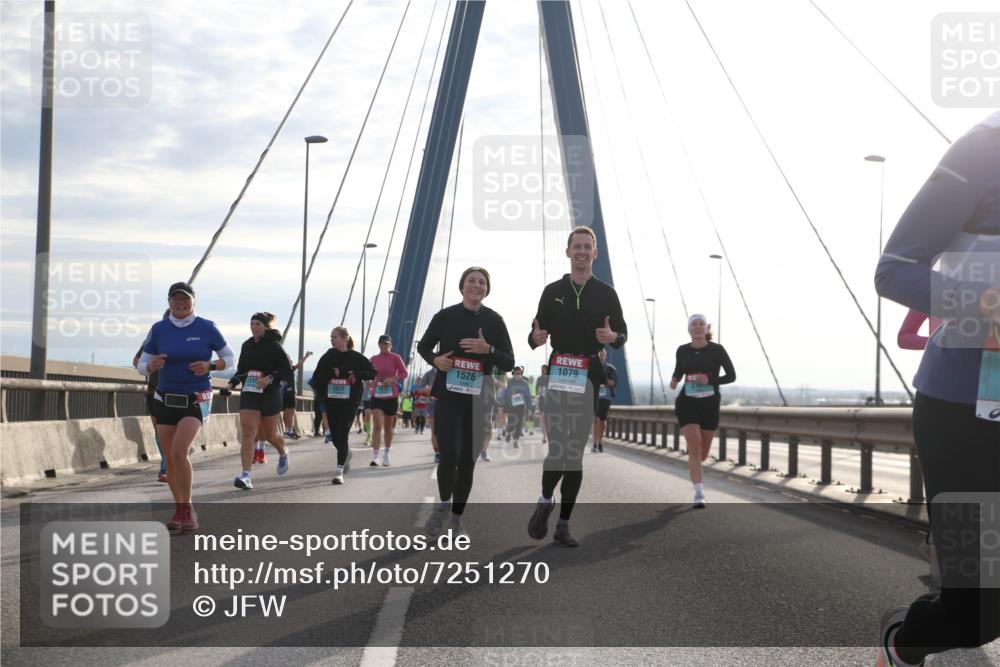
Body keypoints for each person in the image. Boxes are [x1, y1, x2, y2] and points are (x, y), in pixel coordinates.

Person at [872, 111, 1000, 667]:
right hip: (965, 412)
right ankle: (902, 643)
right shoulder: (980, 152)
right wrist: (979, 303)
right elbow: (894, 269)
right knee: (979, 614)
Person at [527, 226, 628, 547]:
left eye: (588, 247)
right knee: (558, 448)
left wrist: (613, 338)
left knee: (575, 454)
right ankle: (545, 501)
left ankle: (564, 524)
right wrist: (535, 339)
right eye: (577, 246)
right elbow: (535, 333)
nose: (582, 252)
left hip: (587, 378)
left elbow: (623, 334)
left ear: (595, 253)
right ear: (568, 252)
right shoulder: (552, 290)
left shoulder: (607, 294)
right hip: (558, 373)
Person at [418, 267, 515, 535]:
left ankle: (457, 518)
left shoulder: (494, 320)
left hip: (479, 398)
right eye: (471, 281)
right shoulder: (445, 316)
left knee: (468, 461)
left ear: (487, 289)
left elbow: (509, 360)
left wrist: (489, 350)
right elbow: (423, 346)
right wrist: (435, 360)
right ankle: (443, 508)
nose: (477, 285)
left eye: (482, 282)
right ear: (462, 286)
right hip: (449, 396)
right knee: (448, 457)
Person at [138, 282, 234, 532]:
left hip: (196, 397)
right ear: (169, 302)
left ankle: (188, 509)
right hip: (165, 398)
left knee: (180, 451)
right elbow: (141, 363)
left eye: (185, 300)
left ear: (193, 302)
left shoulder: (206, 327)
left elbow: (230, 359)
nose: (181, 304)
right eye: (175, 299)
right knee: (170, 458)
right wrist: (151, 366)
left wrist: (210, 366)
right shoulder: (159, 329)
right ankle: (180, 509)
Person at [669, 313, 735, 508]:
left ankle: (694, 464)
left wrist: (711, 380)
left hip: (710, 404)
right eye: (694, 324)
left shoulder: (717, 350)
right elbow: (679, 369)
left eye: (701, 324)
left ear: (706, 329)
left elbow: (731, 376)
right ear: (689, 329)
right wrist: (674, 380)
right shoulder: (682, 350)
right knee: (695, 446)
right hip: (687, 402)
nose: (697, 327)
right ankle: (699, 493)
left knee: (702, 454)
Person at [223, 312, 292, 490]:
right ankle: (246, 476)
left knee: (269, 435)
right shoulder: (247, 345)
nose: (254, 327)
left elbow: (286, 371)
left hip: (270, 394)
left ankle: (283, 452)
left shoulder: (274, 346)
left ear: (266, 327)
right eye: (252, 323)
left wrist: (269, 378)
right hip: (250, 392)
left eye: (258, 324)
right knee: (248, 433)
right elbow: (242, 370)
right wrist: (231, 384)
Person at [311, 326, 376, 484]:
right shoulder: (328, 356)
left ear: (345, 338)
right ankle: (347, 452)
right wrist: (330, 374)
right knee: (335, 438)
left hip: (350, 401)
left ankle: (339, 471)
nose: (332, 339)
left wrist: (357, 375)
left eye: (335, 337)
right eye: (331, 337)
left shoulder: (356, 357)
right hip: (331, 401)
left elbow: (372, 372)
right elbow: (316, 378)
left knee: (343, 433)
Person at [132, 320, 168, 483]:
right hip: (156, 391)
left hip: (175, 391)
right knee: (161, 431)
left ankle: (168, 464)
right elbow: (136, 361)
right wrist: (151, 364)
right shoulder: (153, 339)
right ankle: (166, 464)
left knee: (168, 431)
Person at [369, 335, 408, 466]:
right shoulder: (373, 359)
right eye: (381, 344)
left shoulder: (396, 358)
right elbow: (367, 372)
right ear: (378, 344)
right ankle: (375, 457)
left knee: (387, 427)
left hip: (391, 396)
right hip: (377, 396)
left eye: (386, 344)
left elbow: (404, 373)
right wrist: (370, 380)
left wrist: (393, 379)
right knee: (377, 425)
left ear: (390, 345)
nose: (383, 346)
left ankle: (386, 454)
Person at [281, 351, 312, 439]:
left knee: (287, 412)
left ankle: (288, 430)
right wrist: (306, 356)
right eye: (289, 359)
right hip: (290, 393)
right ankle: (289, 431)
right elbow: (299, 364)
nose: (291, 360)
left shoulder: (284, 369)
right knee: (290, 412)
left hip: (284, 393)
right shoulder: (288, 368)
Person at [592, 348, 617, 453]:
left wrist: (603, 380)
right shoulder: (593, 368)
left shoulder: (611, 369)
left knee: (603, 421)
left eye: (603, 355)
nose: (601, 357)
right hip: (595, 397)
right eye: (600, 355)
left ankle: (600, 442)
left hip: (606, 398)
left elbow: (614, 383)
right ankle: (594, 444)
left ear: (605, 356)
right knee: (596, 419)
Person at [504, 366, 533, 448]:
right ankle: (508, 433)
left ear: (521, 374)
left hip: (521, 406)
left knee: (519, 424)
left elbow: (528, 397)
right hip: (511, 406)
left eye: (519, 373)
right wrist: (504, 405)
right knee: (512, 423)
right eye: (516, 373)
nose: (517, 375)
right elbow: (505, 394)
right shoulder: (509, 382)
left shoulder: (524, 383)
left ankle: (515, 441)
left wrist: (530, 409)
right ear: (513, 374)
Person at [536, 365, 549, 444]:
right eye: (541, 369)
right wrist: (538, 393)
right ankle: (544, 436)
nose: (542, 371)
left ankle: (547, 435)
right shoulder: (539, 378)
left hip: (550, 401)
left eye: (544, 369)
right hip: (542, 400)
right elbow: (536, 388)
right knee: (543, 418)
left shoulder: (550, 378)